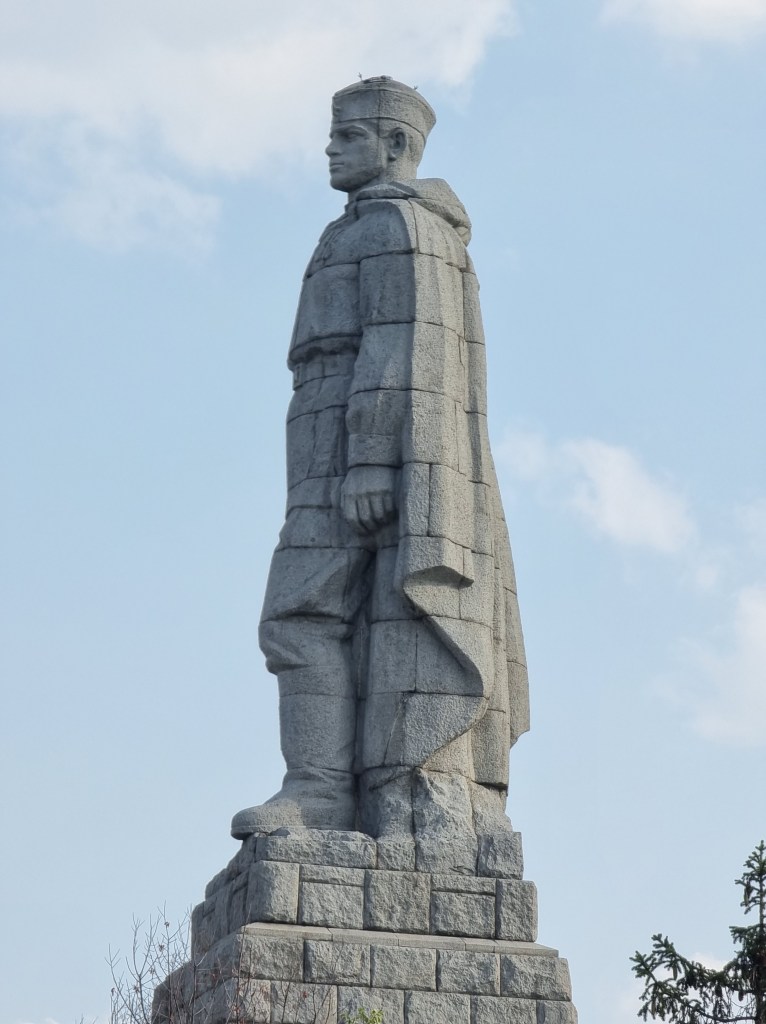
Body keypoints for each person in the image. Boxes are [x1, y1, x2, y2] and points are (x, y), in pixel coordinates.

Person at [231, 77, 528, 844]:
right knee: (325, 614)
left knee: (300, 613)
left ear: (396, 145)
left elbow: (404, 346)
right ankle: (332, 789)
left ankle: (321, 791)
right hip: (323, 431)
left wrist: (369, 460)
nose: (330, 147)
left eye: (348, 134)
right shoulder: (360, 225)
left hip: (354, 444)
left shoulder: (399, 225)